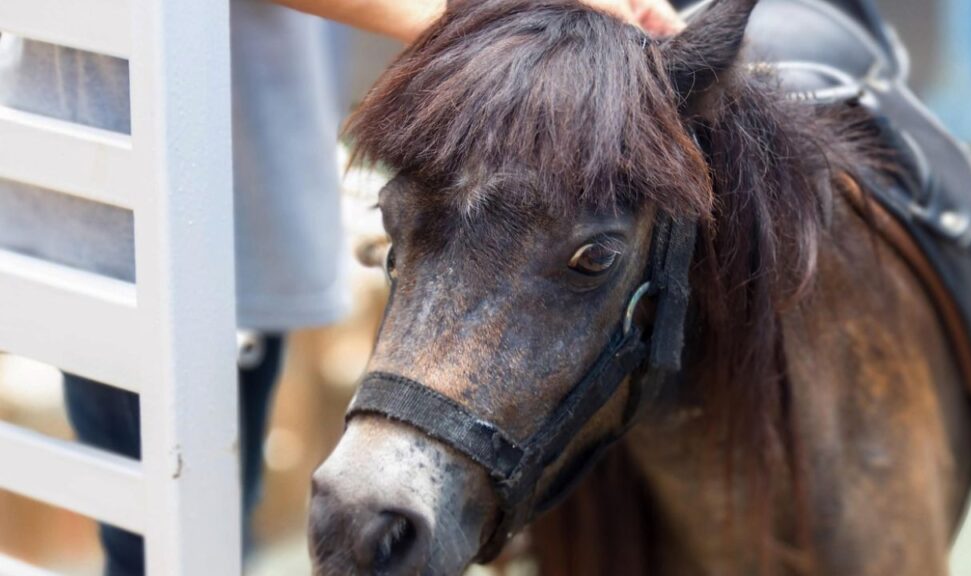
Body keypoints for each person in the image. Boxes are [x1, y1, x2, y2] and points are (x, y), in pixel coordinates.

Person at [0, 0, 680, 574]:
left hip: (234, 193)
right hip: (137, 204)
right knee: (166, 538)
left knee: (213, 511)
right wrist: (479, 17)